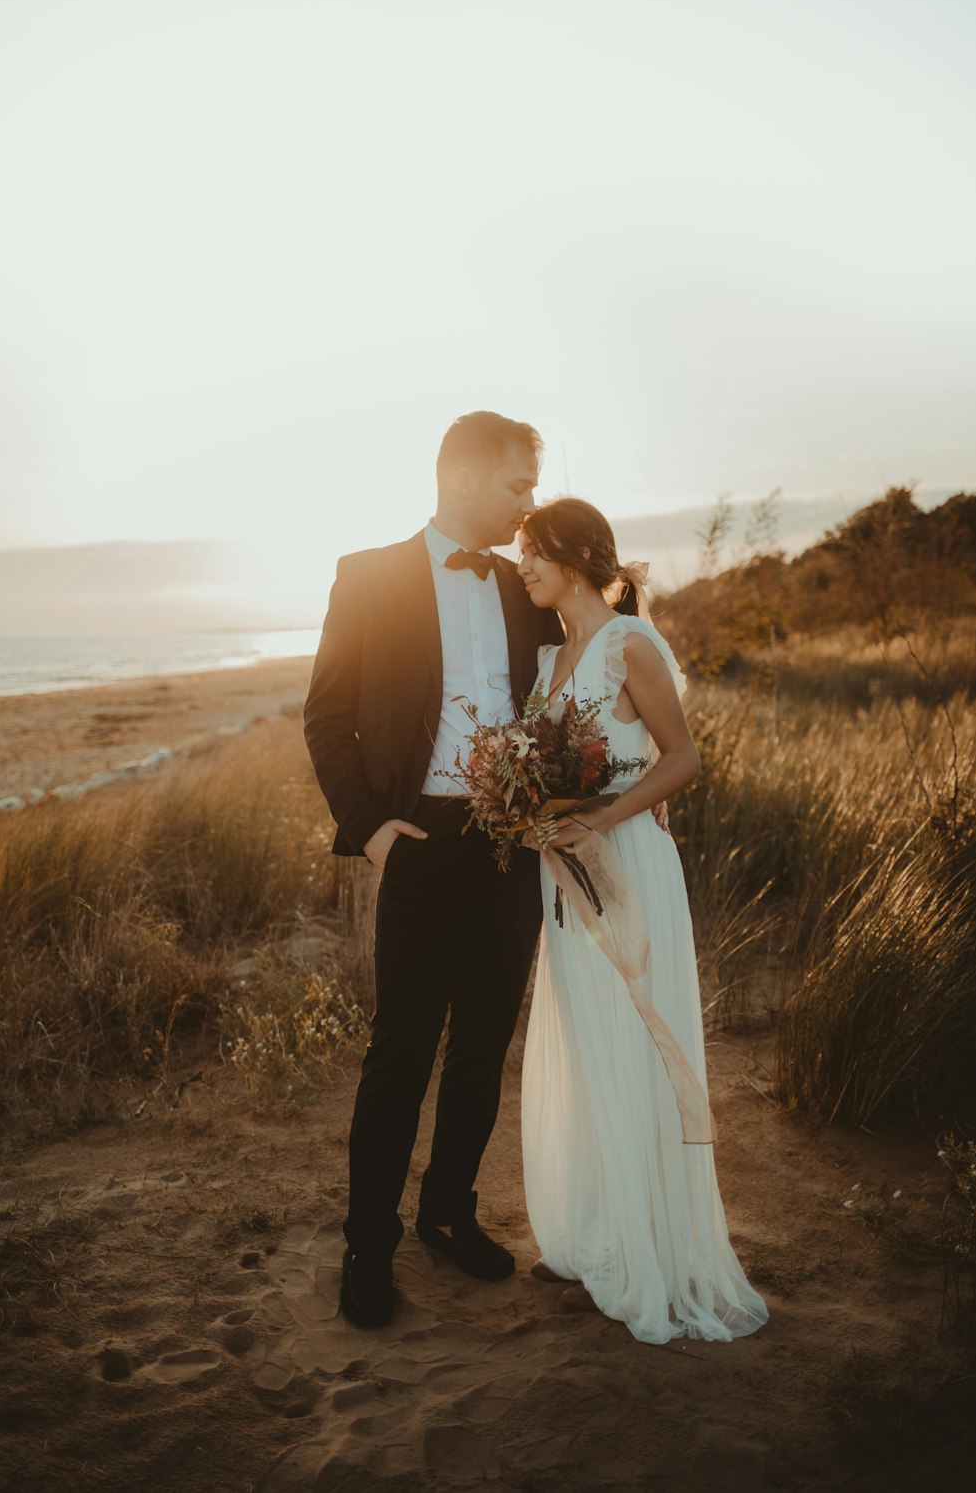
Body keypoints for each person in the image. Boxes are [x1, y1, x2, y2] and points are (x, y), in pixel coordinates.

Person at [303, 411, 563, 1328]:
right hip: (418, 842)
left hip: (510, 847)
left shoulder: (528, 586)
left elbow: (589, 663)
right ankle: (367, 1248)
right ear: (463, 481)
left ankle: (448, 1213)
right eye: (517, 486)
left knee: (485, 1041)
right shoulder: (367, 578)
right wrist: (371, 830)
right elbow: (327, 718)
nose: (529, 505)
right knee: (400, 1051)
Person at [516, 497, 769, 1344]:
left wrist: (606, 816)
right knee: (592, 1047)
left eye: (532, 554)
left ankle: (647, 1245)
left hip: (627, 869)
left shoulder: (631, 643)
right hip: (566, 876)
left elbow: (684, 757)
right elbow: (540, 769)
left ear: (576, 556)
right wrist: (528, 815)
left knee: (632, 1040)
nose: (522, 567)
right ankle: (598, 1235)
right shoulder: (552, 657)